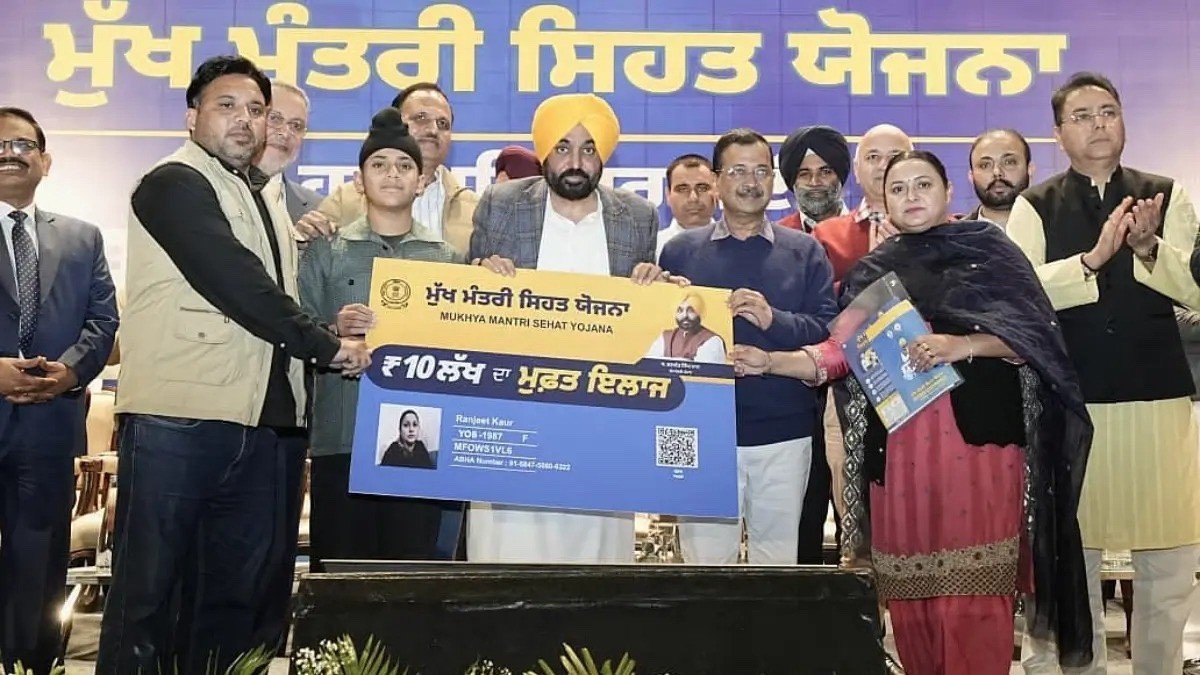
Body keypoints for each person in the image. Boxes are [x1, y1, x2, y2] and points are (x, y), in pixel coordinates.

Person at [733, 150, 1093, 675]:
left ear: (948, 191)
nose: (912, 197)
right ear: (883, 201)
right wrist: (772, 362)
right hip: (900, 454)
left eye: (923, 184)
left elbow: (1034, 339)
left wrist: (961, 345)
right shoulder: (874, 272)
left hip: (979, 448)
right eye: (898, 189)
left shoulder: (989, 250)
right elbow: (839, 354)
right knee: (912, 601)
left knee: (973, 599)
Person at [98, 55, 370, 675]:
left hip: (259, 425)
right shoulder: (173, 183)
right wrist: (328, 348)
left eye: (256, 110)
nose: (245, 120)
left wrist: (332, 333)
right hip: (178, 420)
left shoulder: (259, 194)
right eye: (227, 106)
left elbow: (276, 299)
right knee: (148, 597)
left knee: (230, 602)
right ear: (192, 115)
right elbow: (237, 282)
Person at [1008, 71, 1200, 675]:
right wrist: (1090, 262)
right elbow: (1020, 297)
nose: (1098, 124)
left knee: (1169, 560)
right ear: (1058, 133)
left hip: (1158, 397)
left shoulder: (1165, 193)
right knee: (1077, 560)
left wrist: (1147, 248)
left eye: (1108, 112)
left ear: (1124, 121)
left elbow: (1194, 289)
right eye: (1083, 116)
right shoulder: (1035, 204)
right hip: (1074, 401)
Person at [467, 92, 662, 563]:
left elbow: (646, 317)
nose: (575, 162)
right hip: (515, 411)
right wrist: (478, 275)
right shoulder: (501, 204)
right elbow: (468, 300)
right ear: (543, 152)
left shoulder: (637, 216)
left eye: (589, 149)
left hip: (603, 416)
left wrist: (659, 288)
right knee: (508, 551)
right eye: (563, 147)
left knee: (598, 551)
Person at [659, 128, 838, 564]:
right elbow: (659, 336)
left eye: (761, 171)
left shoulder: (806, 251)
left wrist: (773, 319)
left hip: (783, 433)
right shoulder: (679, 252)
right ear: (716, 180)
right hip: (700, 431)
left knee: (777, 563)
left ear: (773, 180)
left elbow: (827, 331)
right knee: (704, 566)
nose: (750, 182)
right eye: (737, 171)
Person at [299, 107, 461, 563]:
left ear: (422, 181)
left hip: (421, 448)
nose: (392, 174)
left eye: (405, 165)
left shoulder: (449, 260)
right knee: (340, 574)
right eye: (379, 164)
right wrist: (334, 331)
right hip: (342, 439)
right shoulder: (325, 252)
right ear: (359, 180)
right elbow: (294, 330)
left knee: (409, 575)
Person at [0, 107, 118, 674]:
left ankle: (31, 665)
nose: (10, 152)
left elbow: (103, 322)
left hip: (50, 424)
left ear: (45, 161)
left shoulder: (82, 237)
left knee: (39, 561)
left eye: (23, 144)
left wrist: (67, 375)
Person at [314, 82, 479, 256]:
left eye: (443, 123)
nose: (433, 130)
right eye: (421, 118)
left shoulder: (475, 209)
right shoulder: (343, 200)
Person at [777, 125, 851, 232]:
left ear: (840, 176)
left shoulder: (868, 232)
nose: (814, 182)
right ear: (793, 182)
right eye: (804, 174)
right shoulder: (777, 236)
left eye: (825, 172)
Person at [965, 129, 1033, 227]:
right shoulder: (955, 235)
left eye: (1009, 162)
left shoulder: (1053, 228)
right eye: (985, 165)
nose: (997, 172)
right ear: (971, 176)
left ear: (1029, 169)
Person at [656, 154, 718, 258]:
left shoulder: (735, 246)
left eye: (702, 188)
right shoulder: (651, 250)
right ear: (668, 195)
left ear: (717, 192)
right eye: (682, 189)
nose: (693, 198)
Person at [643, 293, 727, 363]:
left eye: (691, 311)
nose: (684, 316)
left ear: (700, 313)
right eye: (680, 311)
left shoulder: (712, 340)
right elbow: (651, 365)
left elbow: (705, 373)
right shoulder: (666, 337)